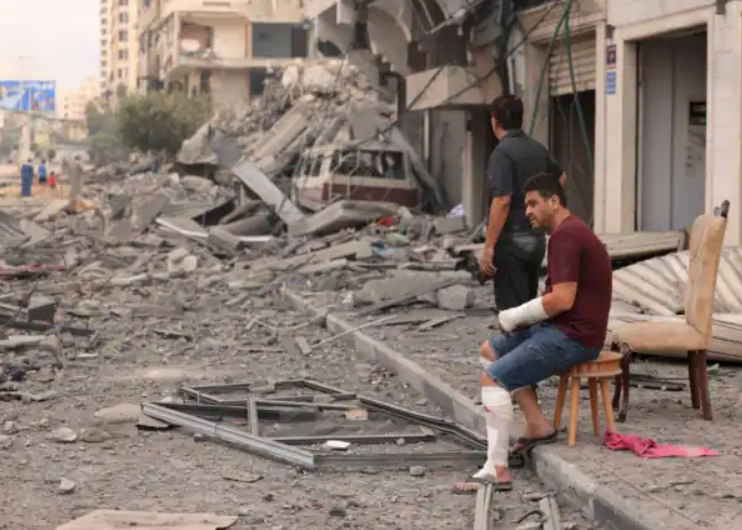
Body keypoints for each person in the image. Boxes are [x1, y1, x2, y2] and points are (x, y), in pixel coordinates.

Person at [465, 173, 612, 490]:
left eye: (533, 204)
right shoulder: (567, 232)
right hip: (561, 328)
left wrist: (513, 316)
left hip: (574, 337)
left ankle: (496, 469)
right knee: (490, 351)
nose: (528, 211)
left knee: (494, 379)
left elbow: (562, 299)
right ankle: (538, 424)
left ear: (554, 201)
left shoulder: (566, 237)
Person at [478, 95, 567, 312]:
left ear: (495, 120)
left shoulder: (502, 153)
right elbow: (561, 178)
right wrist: (542, 207)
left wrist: (489, 246)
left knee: (511, 312)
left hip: (511, 240)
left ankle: (516, 336)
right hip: (536, 239)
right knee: (527, 307)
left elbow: (502, 200)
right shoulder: (538, 148)